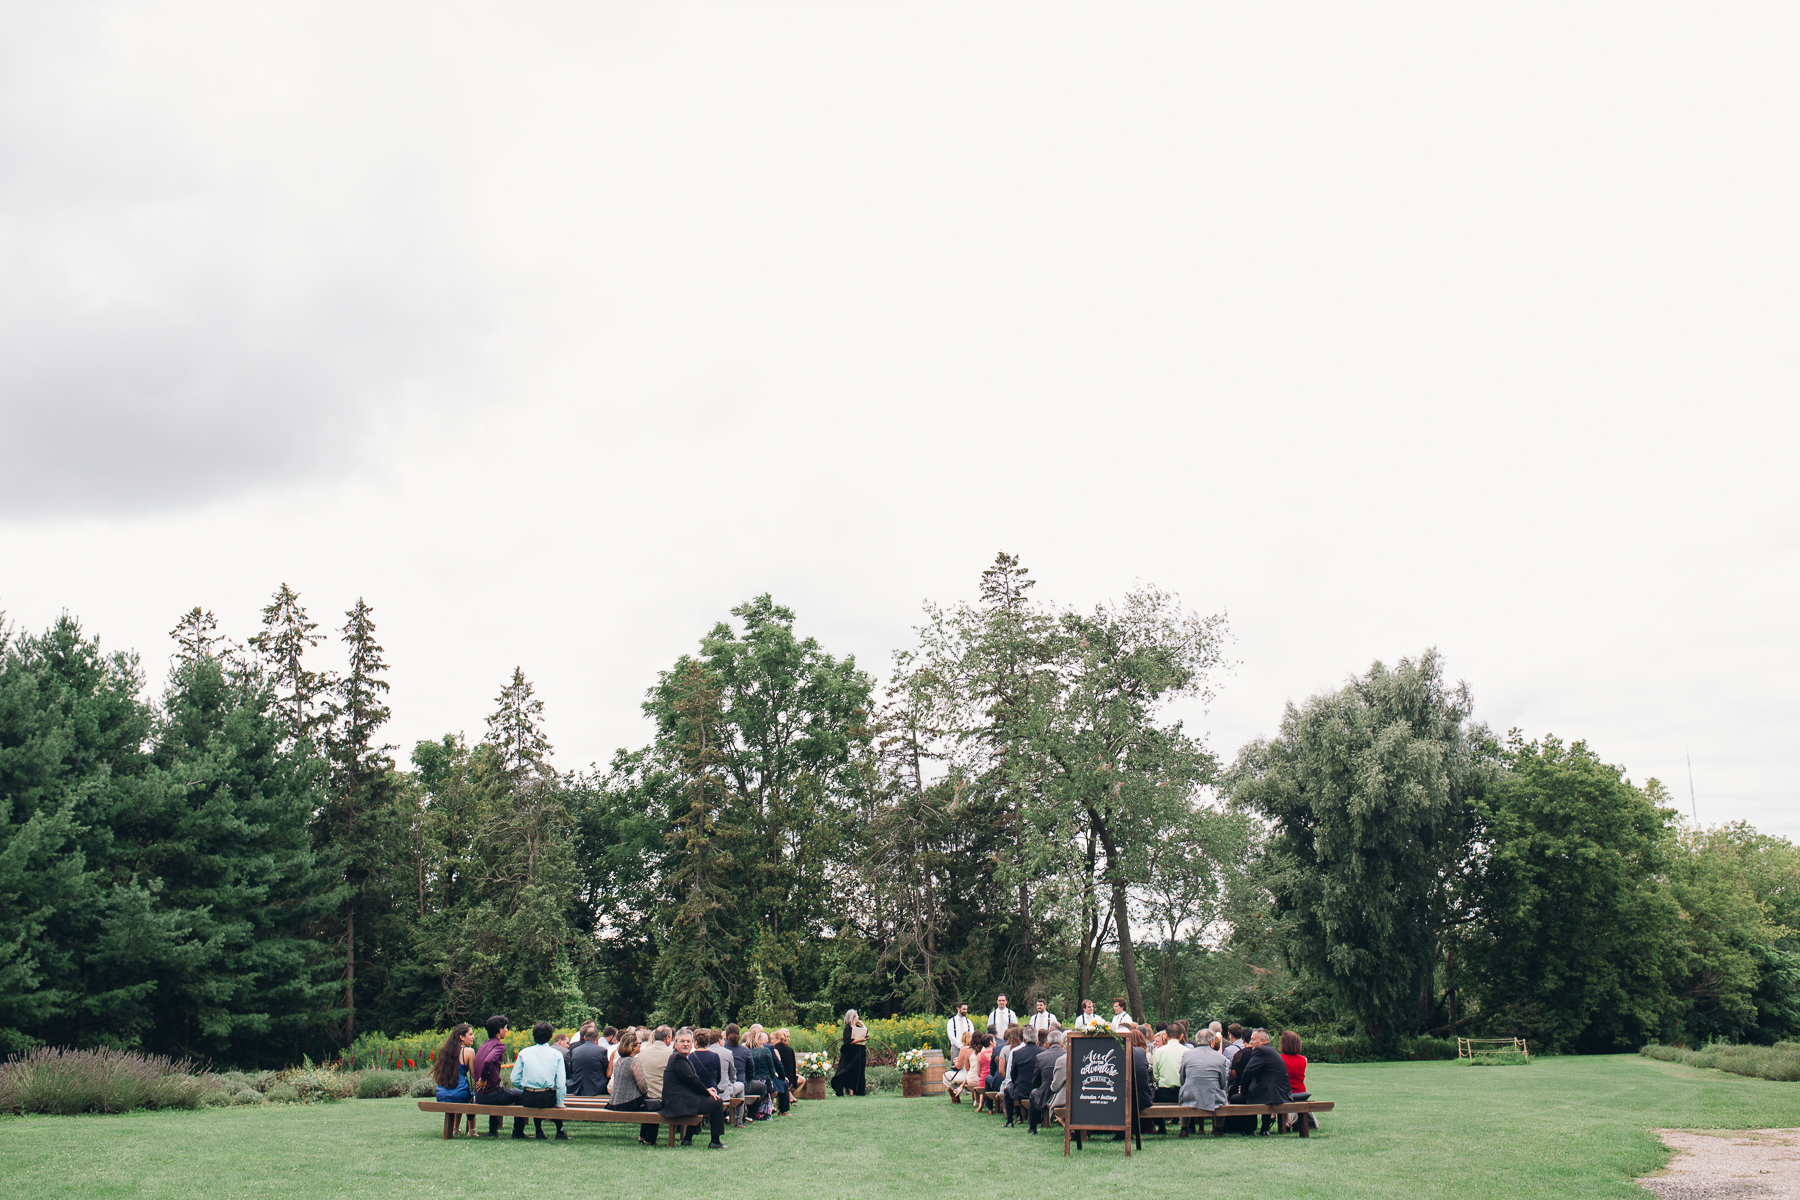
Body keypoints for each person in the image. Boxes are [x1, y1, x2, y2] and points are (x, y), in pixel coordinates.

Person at [661, 1030, 727, 1149]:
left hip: (680, 1099)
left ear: (693, 1044)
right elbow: (692, 1079)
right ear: (675, 1044)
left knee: (704, 1099)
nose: (685, 1044)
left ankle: (687, 1139)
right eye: (682, 1041)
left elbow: (691, 1081)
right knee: (717, 1102)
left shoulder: (680, 1057)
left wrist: (706, 1090)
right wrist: (707, 1091)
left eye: (688, 1041)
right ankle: (715, 1141)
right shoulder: (678, 1058)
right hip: (677, 1103)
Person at [510, 1021, 568, 1140]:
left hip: (528, 1097)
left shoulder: (524, 1053)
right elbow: (561, 1084)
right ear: (551, 1036)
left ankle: (538, 1130)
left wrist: (525, 1087)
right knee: (552, 1095)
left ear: (534, 1035)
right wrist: (560, 1104)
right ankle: (560, 1131)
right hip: (546, 1097)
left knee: (537, 1094)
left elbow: (514, 1079)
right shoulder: (556, 1054)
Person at [1229, 1029, 1293, 1135]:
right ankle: (1264, 1129)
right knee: (1254, 1093)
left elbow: (1248, 1072)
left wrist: (1243, 1090)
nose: (1251, 1042)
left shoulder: (1261, 1051)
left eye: (1253, 1040)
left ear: (1262, 1041)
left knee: (1236, 1098)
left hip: (1271, 1094)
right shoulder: (1271, 1050)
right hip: (1279, 1093)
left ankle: (1249, 1130)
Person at [471, 1015, 525, 1138]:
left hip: (479, 1096)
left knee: (498, 1089)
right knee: (520, 1094)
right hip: (492, 1096)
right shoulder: (499, 1046)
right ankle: (518, 1132)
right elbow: (488, 1061)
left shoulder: (483, 1046)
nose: (507, 1030)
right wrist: (484, 1079)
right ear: (500, 1030)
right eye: (506, 1028)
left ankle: (493, 1130)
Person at [606, 1030, 663, 1146]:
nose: (640, 1045)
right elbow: (642, 1085)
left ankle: (643, 1136)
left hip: (616, 1101)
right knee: (655, 1107)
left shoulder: (620, 1061)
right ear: (632, 1047)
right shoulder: (634, 1062)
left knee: (648, 1105)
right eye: (639, 1043)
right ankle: (649, 1139)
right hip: (629, 1102)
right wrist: (646, 1094)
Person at [1178, 1032, 1229, 1136]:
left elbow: (1182, 1079)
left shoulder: (1187, 1054)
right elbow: (1223, 1083)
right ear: (1212, 1042)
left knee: (1186, 1091)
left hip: (1189, 1095)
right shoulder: (1220, 1058)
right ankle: (1218, 1129)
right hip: (1212, 1096)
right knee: (1222, 1097)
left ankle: (1184, 1129)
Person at [431, 1023, 477, 1136]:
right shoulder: (469, 1052)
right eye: (470, 1034)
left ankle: (455, 1129)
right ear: (461, 1037)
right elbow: (474, 1075)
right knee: (468, 1095)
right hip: (459, 1094)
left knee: (460, 1092)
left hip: (441, 1093)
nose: (473, 1037)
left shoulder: (445, 1052)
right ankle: (472, 1130)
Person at [1150, 1020, 1185, 1133]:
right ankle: (1188, 1127)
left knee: (1156, 1096)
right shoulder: (1187, 1051)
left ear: (1166, 1035)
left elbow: (1155, 1075)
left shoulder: (1158, 1052)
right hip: (1182, 1092)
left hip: (1163, 1093)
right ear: (1181, 1036)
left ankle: (1161, 1127)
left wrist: (1162, 1081)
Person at [1004, 1026, 1040, 1129]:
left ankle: (1010, 1120)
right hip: (1038, 1089)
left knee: (1007, 1091)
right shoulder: (1043, 1052)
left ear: (1023, 1039)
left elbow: (1012, 1074)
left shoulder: (1016, 1053)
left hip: (1021, 1090)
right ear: (1036, 1038)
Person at [831, 1009, 868, 1096]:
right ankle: (847, 1087)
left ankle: (856, 1090)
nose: (858, 1017)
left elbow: (865, 1032)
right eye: (856, 1016)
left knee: (858, 1071)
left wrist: (862, 1024)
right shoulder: (847, 1029)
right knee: (849, 1070)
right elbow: (847, 1041)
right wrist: (859, 1040)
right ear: (853, 1018)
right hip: (851, 1053)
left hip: (859, 1053)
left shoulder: (858, 1028)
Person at [1278, 1030, 1310, 1133]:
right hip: (1300, 1091)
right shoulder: (1304, 1059)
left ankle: (1286, 1120)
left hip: (1285, 1091)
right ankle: (1295, 1120)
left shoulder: (1280, 1059)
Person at [749, 1030, 784, 1118]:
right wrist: (771, 1078)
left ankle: (754, 1112)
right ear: (759, 1040)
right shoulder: (765, 1051)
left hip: (752, 1080)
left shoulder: (748, 1051)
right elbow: (771, 1068)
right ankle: (764, 1114)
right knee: (766, 1095)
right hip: (764, 1079)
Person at [570, 1021, 610, 1097]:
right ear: (597, 1038)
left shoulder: (574, 1051)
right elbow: (606, 1070)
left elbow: (571, 1070)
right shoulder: (602, 1051)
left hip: (577, 1088)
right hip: (596, 1088)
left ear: (584, 1038)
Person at [639, 1026, 674, 1103]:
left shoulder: (641, 1052)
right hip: (663, 1098)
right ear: (667, 1038)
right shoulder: (672, 1054)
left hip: (644, 1097)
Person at [773, 1029, 799, 1109]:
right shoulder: (790, 1050)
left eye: (772, 1039)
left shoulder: (774, 1049)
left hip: (780, 1077)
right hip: (790, 1078)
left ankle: (776, 1105)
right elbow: (793, 1066)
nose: (771, 1041)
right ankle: (788, 1100)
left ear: (777, 1038)